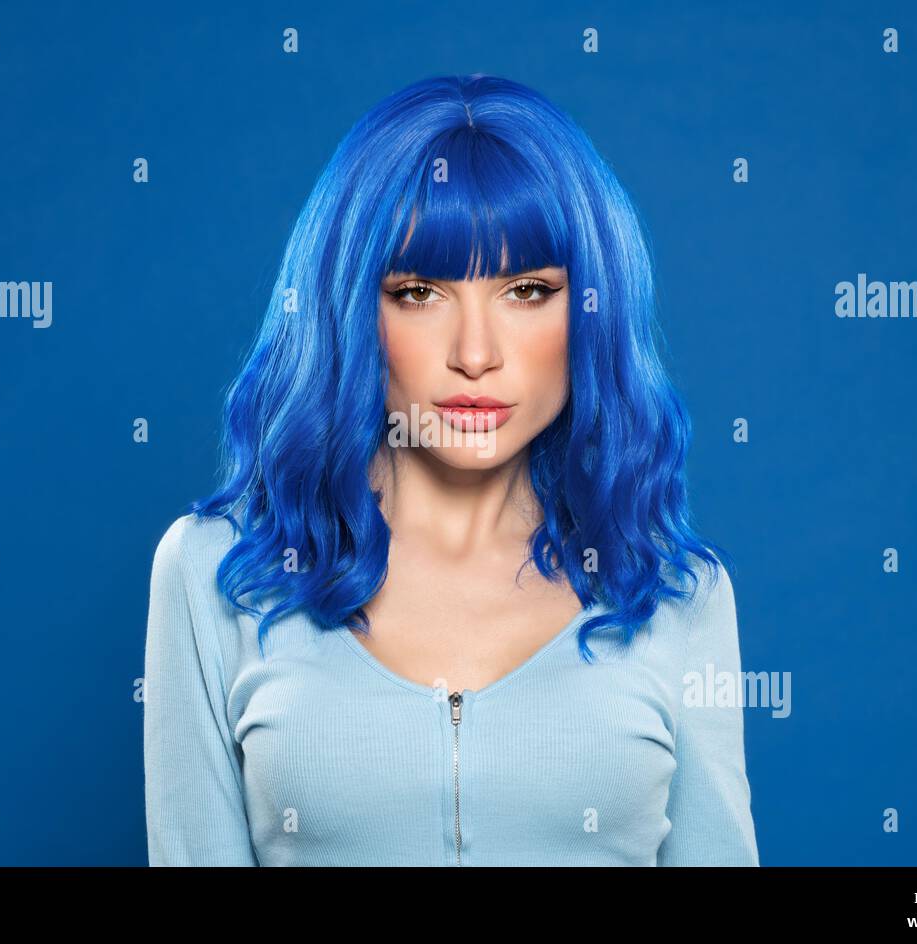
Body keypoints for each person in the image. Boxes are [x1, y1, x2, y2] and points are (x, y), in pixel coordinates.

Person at [143, 73, 759, 866]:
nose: (476, 354)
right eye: (421, 291)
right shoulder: (212, 574)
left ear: (591, 311)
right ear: (351, 308)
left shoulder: (676, 594)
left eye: (528, 290)